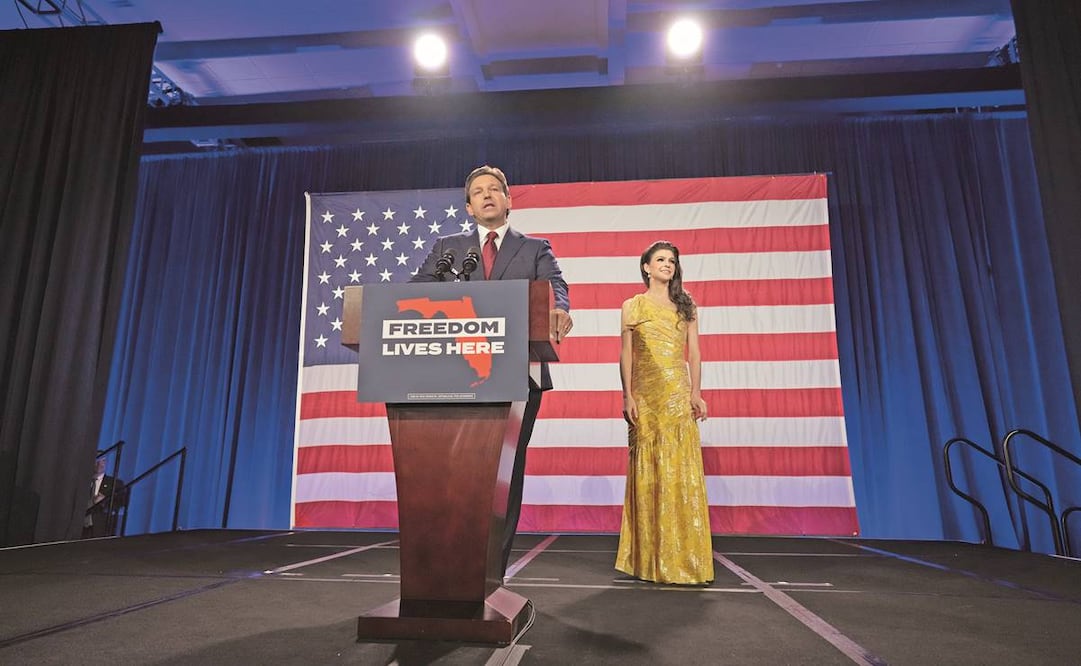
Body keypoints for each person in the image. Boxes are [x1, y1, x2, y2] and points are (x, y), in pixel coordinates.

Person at [412, 165, 572, 576]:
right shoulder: (447, 248)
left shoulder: (535, 249)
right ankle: (449, 569)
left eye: (494, 190)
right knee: (454, 472)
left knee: (504, 473)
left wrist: (559, 311)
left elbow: (555, 288)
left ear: (508, 200)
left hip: (518, 373)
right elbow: (414, 293)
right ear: (468, 206)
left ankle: (490, 573)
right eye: (478, 192)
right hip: (452, 375)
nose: (486, 195)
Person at [615, 240, 714, 585]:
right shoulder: (632, 306)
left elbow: (695, 353)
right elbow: (626, 355)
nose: (667, 265)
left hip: (677, 394)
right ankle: (647, 559)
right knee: (649, 469)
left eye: (671, 261)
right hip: (646, 396)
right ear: (646, 267)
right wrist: (628, 395)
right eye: (660, 260)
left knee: (680, 468)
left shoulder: (686, 306)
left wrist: (696, 392)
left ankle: (684, 558)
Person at [83, 457, 126, 538]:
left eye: (103, 461)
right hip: (80, 527)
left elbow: (121, 502)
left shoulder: (115, 483)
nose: (99, 464)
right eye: (97, 461)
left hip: (102, 528)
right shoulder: (82, 481)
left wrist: (104, 501)